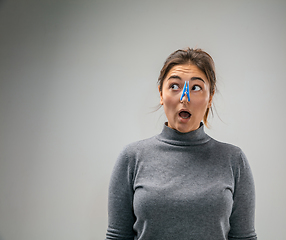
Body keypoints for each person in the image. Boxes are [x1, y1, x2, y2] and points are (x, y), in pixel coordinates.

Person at [105, 48, 257, 240]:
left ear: (209, 98)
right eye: (174, 86)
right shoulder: (132, 157)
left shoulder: (234, 160)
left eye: (196, 88)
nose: (184, 98)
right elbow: (117, 236)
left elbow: (244, 237)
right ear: (161, 94)